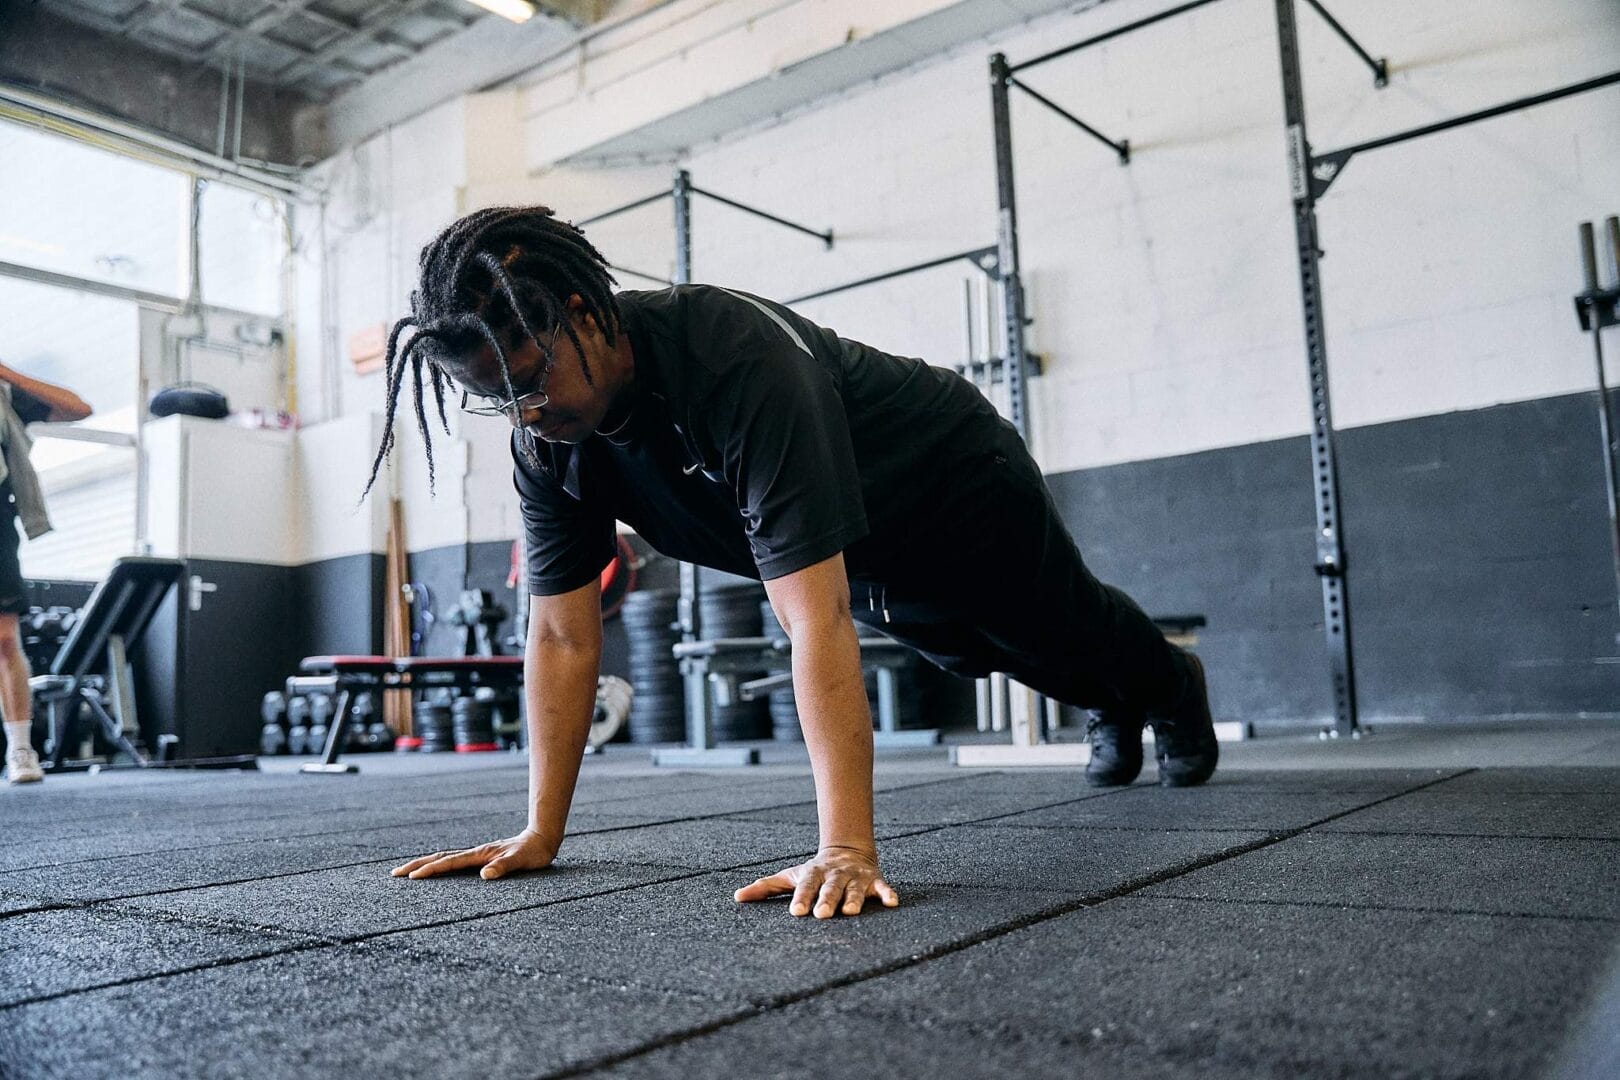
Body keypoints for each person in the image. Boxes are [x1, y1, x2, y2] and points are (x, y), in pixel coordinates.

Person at [378, 206, 1217, 918]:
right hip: (868, 540)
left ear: (582, 312)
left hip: (950, 477)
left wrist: (845, 848)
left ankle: (1168, 688)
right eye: (498, 401)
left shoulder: (732, 360)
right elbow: (562, 636)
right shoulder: (550, 447)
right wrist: (541, 831)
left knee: (1050, 623)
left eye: (529, 380)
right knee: (977, 650)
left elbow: (812, 616)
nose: (526, 413)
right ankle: (1114, 700)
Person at [0, 362, 92, 784]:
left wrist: (7, 373)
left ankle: (21, 748)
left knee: (4, 638)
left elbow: (78, 408)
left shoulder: (7, 394)